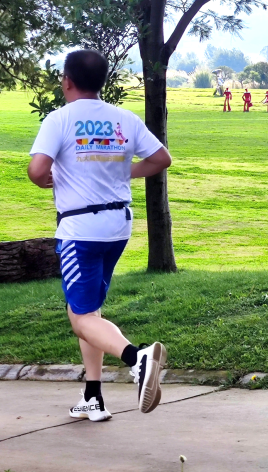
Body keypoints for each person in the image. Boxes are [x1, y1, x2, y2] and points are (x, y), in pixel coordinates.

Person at [28, 50, 173, 422]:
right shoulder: (124, 118)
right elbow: (161, 159)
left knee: (81, 319)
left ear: (67, 81)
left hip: (80, 230)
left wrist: (43, 178)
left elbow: (37, 170)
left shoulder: (60, 119)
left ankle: (138, 358)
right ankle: (92, 396)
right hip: (118, 226)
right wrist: (126, 172)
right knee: (88, 310)